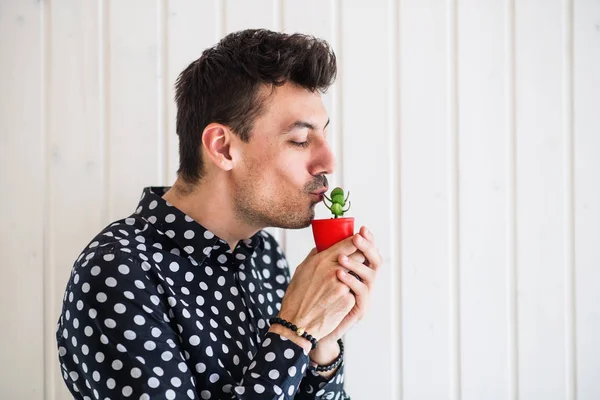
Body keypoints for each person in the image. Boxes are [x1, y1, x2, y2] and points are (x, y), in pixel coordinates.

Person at [56, 28, 382, 400]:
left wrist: (323, 343)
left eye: (323, 136)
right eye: (300, 140)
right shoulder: (117, 272)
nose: (329, 161)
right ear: (223, 147)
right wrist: (295, 330)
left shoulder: (265, 254)